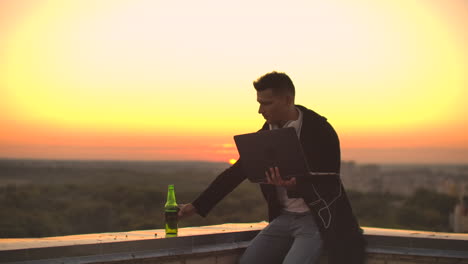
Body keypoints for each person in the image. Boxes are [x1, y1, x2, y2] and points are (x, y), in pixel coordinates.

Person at [178, 71, 365, 264]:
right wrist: (196, 206)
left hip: (316, 220)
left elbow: (331, 183)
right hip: (283, 218)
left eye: (266, 103)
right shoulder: (267, 131)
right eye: (259, 103)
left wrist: (295, 184)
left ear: (287, 100)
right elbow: (236, 173)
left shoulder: (320, 130)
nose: (260, 110)